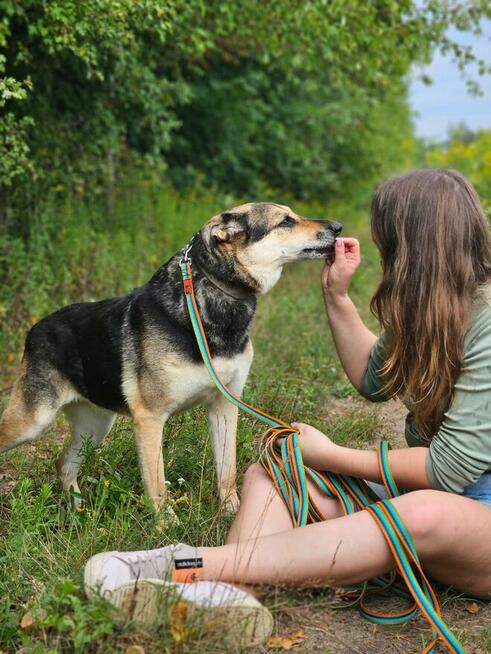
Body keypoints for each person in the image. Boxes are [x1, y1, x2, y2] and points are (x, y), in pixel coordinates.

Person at [84, 169, 491, 646]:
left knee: (424, 513)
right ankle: (226, 599)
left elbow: (450, 470)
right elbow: (374, 379)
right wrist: (335, 296)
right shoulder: (431, 305)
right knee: (272, 470)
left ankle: (179, 564)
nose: (381, 249)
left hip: (474, 525)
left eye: (389, 241)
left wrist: (326, 453)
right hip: (423, 512)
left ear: (417, 248)